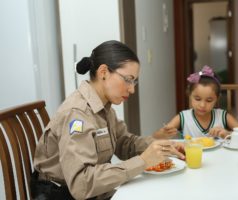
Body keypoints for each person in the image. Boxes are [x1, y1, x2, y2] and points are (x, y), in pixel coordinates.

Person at [31, 40, 185, 200]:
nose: (132, 89)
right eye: (128, 79)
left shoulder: (103, 107)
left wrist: (159, 147)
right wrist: (143, 161)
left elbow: (124, 143)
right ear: (103, 72)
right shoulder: (77, 114)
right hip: (61, 195)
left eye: (134, 81)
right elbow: (81, 185)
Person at [153, 65, 238, 140]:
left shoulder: (222, 116)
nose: (202, 105)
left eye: (209, 100)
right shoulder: (183, 117)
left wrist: (229, 134)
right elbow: (155, 137)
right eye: (197, 99)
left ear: (217, 98)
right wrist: (163, 133)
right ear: (189, 95)